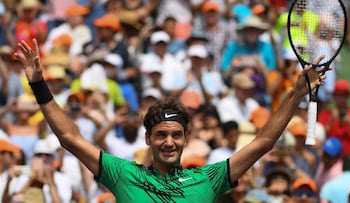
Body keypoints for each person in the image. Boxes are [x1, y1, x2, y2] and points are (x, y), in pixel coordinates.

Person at [15, 39, 328, 202]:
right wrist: (39, 85)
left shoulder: (208, 178)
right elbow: (70, 138)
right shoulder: (122, 173)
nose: (169, 142)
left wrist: (297, 92)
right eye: (161, 134)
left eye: (176, 135)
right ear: (148, 138)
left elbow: (263, 142)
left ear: (186, 138)